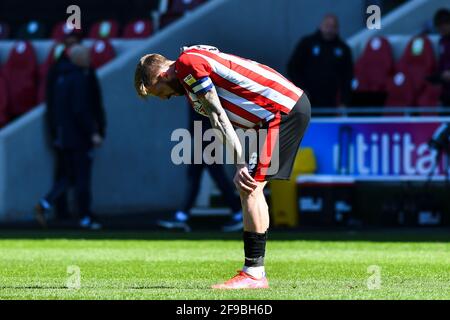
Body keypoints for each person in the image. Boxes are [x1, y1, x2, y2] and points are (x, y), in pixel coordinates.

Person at [134, 45, 311, 289]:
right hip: (273, 114)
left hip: (280, 112)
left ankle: (254, 274)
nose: (165, 98)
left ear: (162, 76)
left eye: (159, 92)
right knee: (250, 188)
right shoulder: (189, 68)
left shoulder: (188, 65)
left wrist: (239, 163)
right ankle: (254, 272)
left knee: (250, 186)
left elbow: (218, 115)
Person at [35, 45, 105, 230]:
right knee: (81, 177)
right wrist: (93, 132)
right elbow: (80, 109)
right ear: (78, 58)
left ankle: (45, 203)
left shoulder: (61, 77)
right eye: (86, 55)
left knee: (70, 176)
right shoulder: (78, 78)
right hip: (78, 137)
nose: (90, 58)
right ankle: (84, 216)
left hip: (64, 136)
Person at [157, 107, 243, 233]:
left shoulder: (199, 88)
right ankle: (182, 216)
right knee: (196, 173)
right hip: (202, 132)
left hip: (207, 133)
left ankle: (238, 213)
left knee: (214, 174)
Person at [287, 14, 353, 109]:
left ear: (337, 29)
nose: (330, 30)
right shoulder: (307, 43)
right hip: (308, 99)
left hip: (333, 101)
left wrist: (344, 101)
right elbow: (292, 67)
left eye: (333, 27)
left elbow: (348, 77)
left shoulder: (343, 49)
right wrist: (301, 90)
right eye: (327, 26)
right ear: (320, 26)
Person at [434, 8, 450, 107]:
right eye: (438, 27)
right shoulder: (442, 42)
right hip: (446, 89)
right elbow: (442, 63)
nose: (441, 29)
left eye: (443, 26)